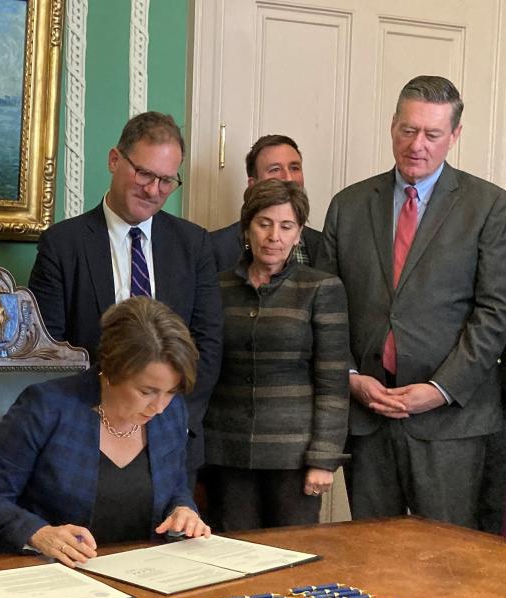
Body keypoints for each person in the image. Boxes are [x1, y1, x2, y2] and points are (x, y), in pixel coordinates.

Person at [317, 76, 506, 528]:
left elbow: (498, 311)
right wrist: (351, 377)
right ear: (393, 126)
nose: (417, 145)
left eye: (432, 134)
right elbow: (325, 309)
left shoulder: (489, 206)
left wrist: (439, 390)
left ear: (454, 135)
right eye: (408, 130)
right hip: (368, 414)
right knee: (373, 561)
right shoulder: (348, 206)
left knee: (446, 565)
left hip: (450, 421)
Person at [28, 111, 222, 481]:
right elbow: (49, 351)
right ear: (115, 160)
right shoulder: (63, 245)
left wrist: (168, 415)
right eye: (144, 174)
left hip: (171, 439)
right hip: (84, 437)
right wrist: (104, 420)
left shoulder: (194, 244)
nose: (153, 190)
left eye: (166, 181)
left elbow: (208, 346)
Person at [0, 297, 210, 566]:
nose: (159, 407)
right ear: (111, 370)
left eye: (171, 392)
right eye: (146, 392)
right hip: (58, 572)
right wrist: (39, 534)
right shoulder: (46, 407)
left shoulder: (172, 412)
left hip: (148, 570)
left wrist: (183, 510)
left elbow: (175, 486)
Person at [205, 179, 349, 531]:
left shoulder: (321, 288)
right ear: (246, 229)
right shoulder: (216, 286)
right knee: (231, 559)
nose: (275, 237)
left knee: (292, 559)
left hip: (294, 458)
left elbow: (332, 381)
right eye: (264, 224)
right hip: (226, 453)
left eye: (287, 226)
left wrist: (324, 459)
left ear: (299, 233)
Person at [210, 134, 322, 271]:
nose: (288, 178)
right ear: (253, 184)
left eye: (294, 168)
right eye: (275, 169)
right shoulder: (215, 247)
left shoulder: (323, 245)